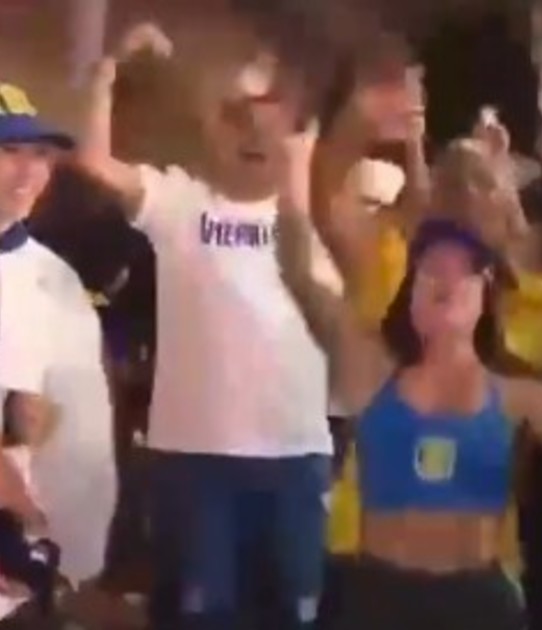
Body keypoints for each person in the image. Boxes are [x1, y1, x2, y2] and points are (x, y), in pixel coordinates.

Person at [273, 116, 542, 628]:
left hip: (476, 604)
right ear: (410, 292)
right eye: (430, 269)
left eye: (463, 271)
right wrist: (294, 156)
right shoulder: (371, 371)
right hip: (378, 598)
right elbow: (299, 270)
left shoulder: (519, 393)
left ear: (485, 295)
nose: (445, 279)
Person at [73, 24, 334, 628]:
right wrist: (108, 70)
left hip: (294, 459)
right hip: (196, 463)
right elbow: (94, 161)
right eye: (239, 118)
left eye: (270, 119)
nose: (254, 133)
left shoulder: (323, 218)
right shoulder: (179, 201)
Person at [0, 82, 117, 626]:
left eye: (40, 155)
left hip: (39, 562)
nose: (28, 172)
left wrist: (74, 555)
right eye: (8, 151)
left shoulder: (55, 276)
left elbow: (74, 412)